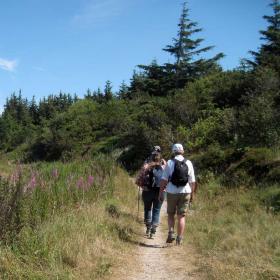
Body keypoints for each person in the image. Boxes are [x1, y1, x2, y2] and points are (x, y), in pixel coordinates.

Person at [159, 143, 196, 245]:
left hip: (171, 191)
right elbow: (192, 181)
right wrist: (193, 194)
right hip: (185, 192)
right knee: (181, 216)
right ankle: (179, 238)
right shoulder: (189, 163)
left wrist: (161, 193)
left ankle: (171, 233)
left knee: (171, 214)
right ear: (182, 151)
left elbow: (163, 180)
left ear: (173, 151)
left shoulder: (169, 163)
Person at [135, 152, 166, 238]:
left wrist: (143, 187)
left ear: (151, 158)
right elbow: (168, 181)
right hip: (159, 192)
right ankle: (154, 229)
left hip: (147, 191)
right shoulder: (164, 167)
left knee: (147, 209)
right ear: (160, 159)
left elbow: (138, 181)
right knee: (156, 210)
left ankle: (148, 228)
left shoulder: (146, 167)